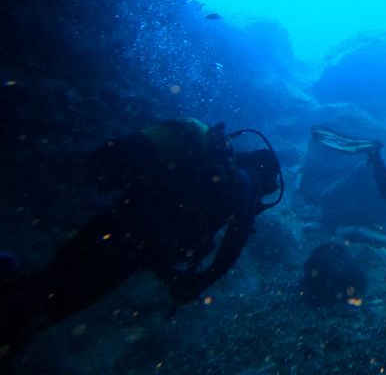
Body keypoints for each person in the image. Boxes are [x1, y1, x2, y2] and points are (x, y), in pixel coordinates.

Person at [0, 118, 282, 358]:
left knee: (54, 276)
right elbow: (234, 239)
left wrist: (169, 272)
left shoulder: (211, 159)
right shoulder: (247, 181)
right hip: (133, 247)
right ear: (264, 176)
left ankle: (11, 285)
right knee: (57, 304)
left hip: (118, 216)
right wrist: (201, 281)